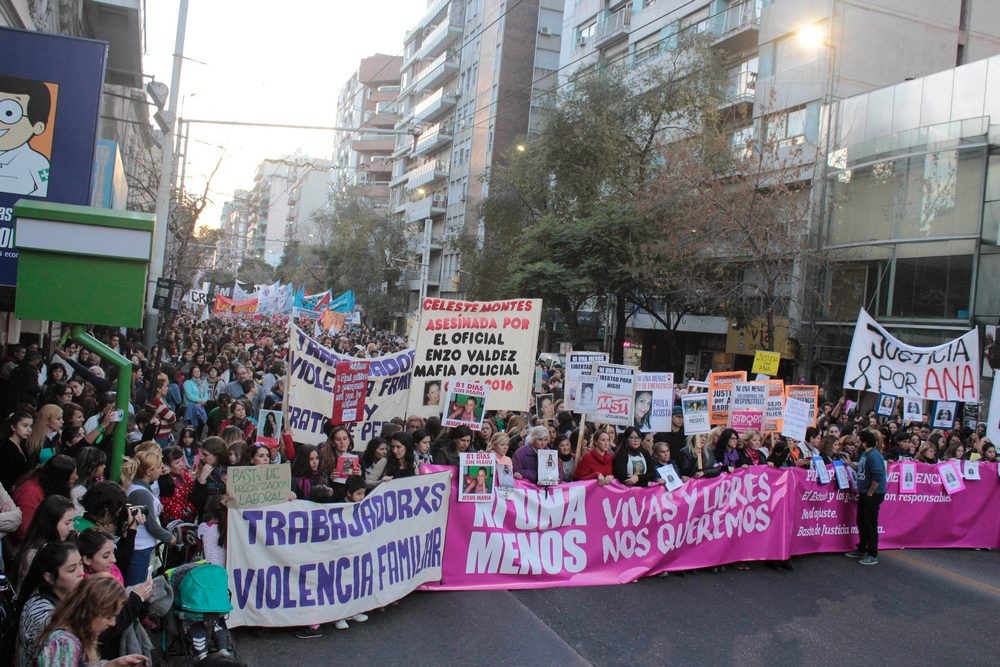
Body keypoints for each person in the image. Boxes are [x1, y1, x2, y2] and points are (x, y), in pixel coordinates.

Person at [32, 573, 147, 666]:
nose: (113, 623)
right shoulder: (63, 645)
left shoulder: (70, 639)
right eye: (108, 617)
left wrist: (112, 665)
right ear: (89, 611)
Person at [15, 542, 85, 667]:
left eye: (81, 564)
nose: (81, 572)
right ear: (49, 577)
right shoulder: (40, 612)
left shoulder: (73, 596)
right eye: (72, 569)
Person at [121, 449, 175, 585]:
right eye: (158, 467)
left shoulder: (137, 487)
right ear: (149, 471)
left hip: (141, 546)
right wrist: (169, 537)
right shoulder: (141, 493)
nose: (161, 470)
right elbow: (151, 525)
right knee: (136, 586)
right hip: (139, 548)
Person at [12, 454, 77, 543]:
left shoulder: (49, 487)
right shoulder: (29, 495)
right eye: (73, 476)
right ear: (61, 479)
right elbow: (25, 534)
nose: (77, 477)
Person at [845, 430, 887, 566]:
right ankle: (862, 548)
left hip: (872, 494)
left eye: (858, 441)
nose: (856, 443)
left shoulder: (874, 456)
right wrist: (850, 464)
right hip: (865, 493)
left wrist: (870, 492)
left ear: (865, 442)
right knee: (861, 521)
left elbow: (877, 475)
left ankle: (872, 553)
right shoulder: (865, 454)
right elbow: (861, 469)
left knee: (870, 524)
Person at [16, 494, 76, 583]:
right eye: (67, 523)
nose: (72, 528)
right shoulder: (35, 554)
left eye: (73, 521)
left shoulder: (68, 542)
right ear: (50, 524)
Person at [0, 410, 33, 492]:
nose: (29, 430)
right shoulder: (4, 448)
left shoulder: (23, 445)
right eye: (25, 426)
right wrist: (11, 487)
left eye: (30, 426)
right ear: (13, 427)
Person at [198, 495, 227, 568]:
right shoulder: (229, 528)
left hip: (208, 570)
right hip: (225, 571)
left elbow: (199, 547)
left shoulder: (202, 527)